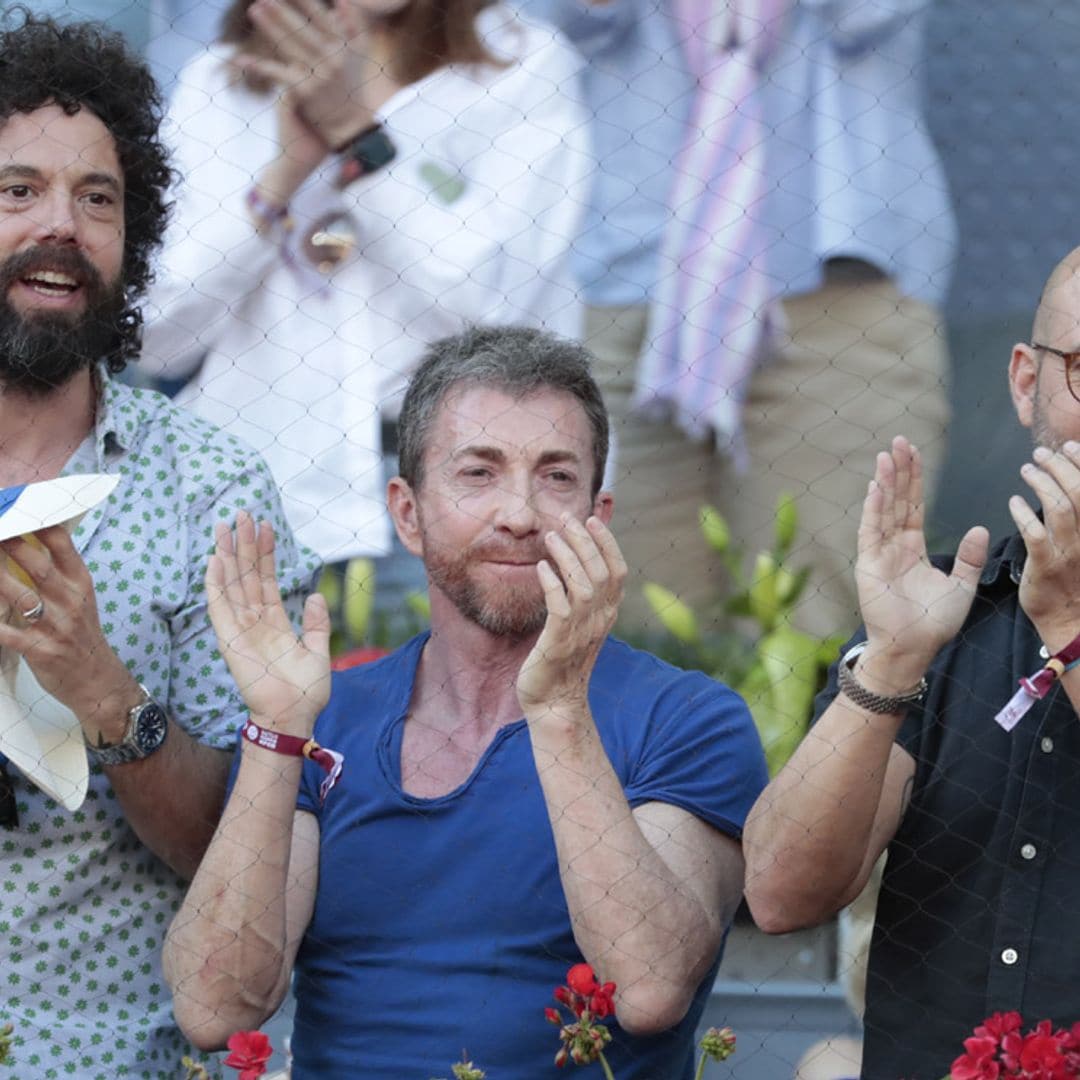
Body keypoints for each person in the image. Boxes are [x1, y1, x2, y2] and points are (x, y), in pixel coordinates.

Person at [163, 325, 768, 1077]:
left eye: (556, 477)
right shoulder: (327, 716)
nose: (519, 513)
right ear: (408, 514)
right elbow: (215, 1006)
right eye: (478, 473)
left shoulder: (686, 719)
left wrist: (558, 712)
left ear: (598, 515)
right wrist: (279, 728)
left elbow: (649, 988)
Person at [0, 16, 315, 1078]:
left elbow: (224, 852)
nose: (62, 227)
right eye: (18, 190)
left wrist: (98, 687)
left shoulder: (212, 495)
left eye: (99, 198)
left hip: (99, 1053)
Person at [743, 247, 1080, 1079]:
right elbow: (782, 894)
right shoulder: (950, 618)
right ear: (1026, 383)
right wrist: (892, 661)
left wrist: (1069, 625)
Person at [139, 0, 589, 568]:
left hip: (464, 499)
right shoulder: (224, 78)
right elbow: (159, 337)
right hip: (253, 499)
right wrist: (279, 182)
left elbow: (495, 317)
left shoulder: (521, 66)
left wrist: (358, 137)